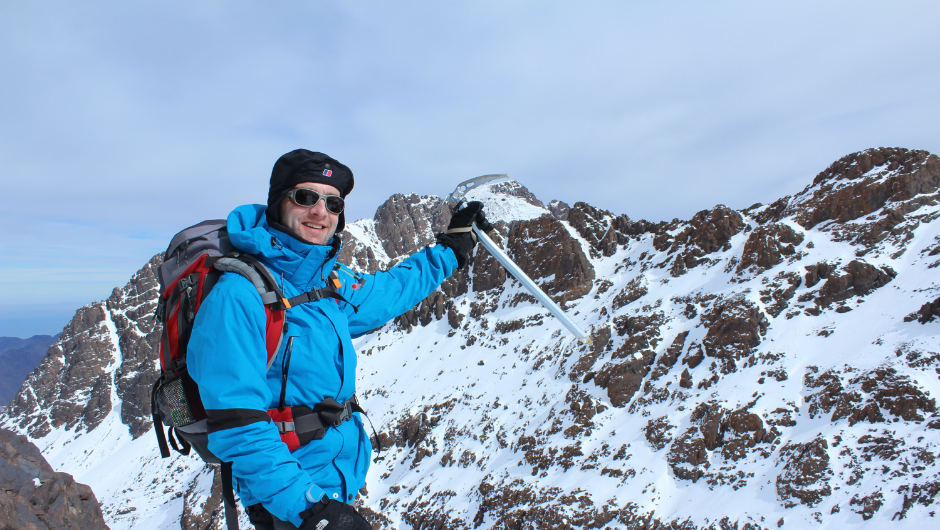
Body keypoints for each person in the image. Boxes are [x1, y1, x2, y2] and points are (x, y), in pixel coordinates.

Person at [186, 149, 489, 530]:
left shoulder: (323, 283)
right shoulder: (239, 295)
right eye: (305, 197)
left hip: (331, 484)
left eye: (332, 203)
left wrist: (451, 250)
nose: (320, 211)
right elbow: (237, 424)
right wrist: (311, 510)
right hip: (290, 500)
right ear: (278, 202)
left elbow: (387, 293)